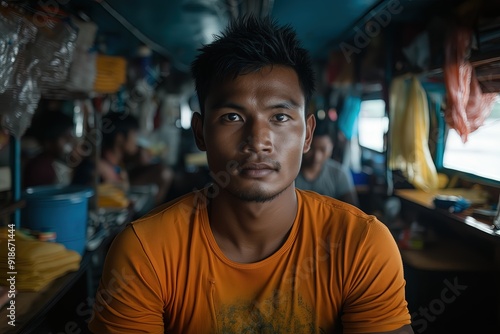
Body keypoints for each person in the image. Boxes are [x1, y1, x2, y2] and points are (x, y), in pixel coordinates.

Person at [89, 16, 413, 333]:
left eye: (281, 117)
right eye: (232, 116)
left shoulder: (361, 245)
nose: (258, 141)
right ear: (200, 133)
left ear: (308, 135)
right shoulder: (145, 251)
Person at [295, 119, 359, 206]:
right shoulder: (291, 173)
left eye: (323, 150)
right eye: (311, 148)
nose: (316, 157)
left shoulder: (339, 174)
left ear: (332, 147)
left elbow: (352, 210)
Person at [23, 110, 75, 187]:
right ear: (48, 142)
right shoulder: (41, 168)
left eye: (70, 135)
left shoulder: (55, 162)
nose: (70, 141)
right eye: (65, 137)